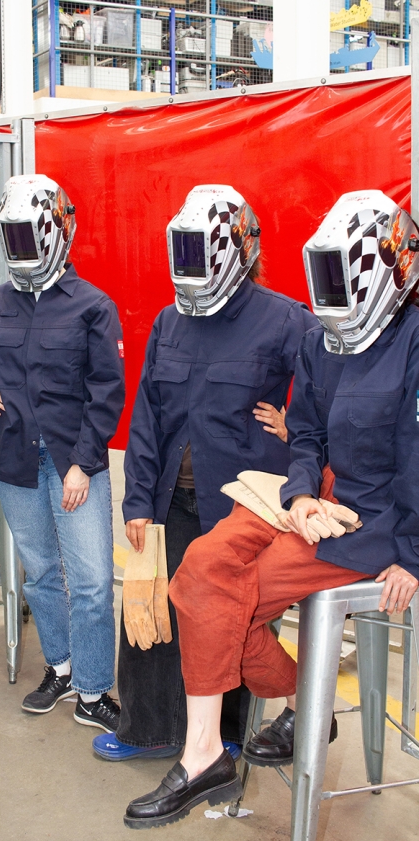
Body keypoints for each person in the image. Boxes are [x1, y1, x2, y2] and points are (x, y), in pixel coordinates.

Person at [123, 189, 419, 829]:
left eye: (345, 275)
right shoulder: (323, 343)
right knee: (198, 572)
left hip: (372, 521)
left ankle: (230, 741)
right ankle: (220, 745)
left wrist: (414, 556)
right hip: (304, 500)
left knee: (231, 596)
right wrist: (303, 492)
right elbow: (306, 431)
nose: (335, 293)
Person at [92, 185, 317, 763]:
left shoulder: (285, 319)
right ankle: (145, 731)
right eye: (185, 249)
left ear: (240, 250)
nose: (193, 264)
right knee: (151, 613)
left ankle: (227, 735)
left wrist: (298, 428)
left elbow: (334, 385)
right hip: (170, 498)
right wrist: (137, 501)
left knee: (223, 618)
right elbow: (147, 417)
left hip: (242, 508)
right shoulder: (169, 322)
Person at [0, 174, 125, 732]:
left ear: (57, 230)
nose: (21, 247)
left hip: (75, 464)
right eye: (13, 236)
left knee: (92, 580)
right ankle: (61, 669)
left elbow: (107, 391)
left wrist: (82, 465)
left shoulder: (93, 306)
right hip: (13, 462)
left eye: (29, 234)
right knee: (42, 573)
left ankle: (93, 692)